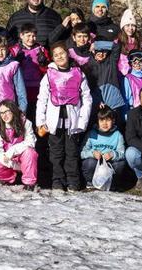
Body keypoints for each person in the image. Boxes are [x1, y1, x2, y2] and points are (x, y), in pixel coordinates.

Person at [36, 43, 93, 191]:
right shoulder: (49, 75)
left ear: (68, 54)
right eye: (56, 55)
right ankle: (57, 181)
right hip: (53, 122)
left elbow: (87, 98)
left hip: (72, 122)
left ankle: (73, 181)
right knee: (56, 154)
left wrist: (82, 121)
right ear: (53, 58)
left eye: (62, 53)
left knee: (72, 153)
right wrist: (40, 121)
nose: (60, 56)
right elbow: (42, 99)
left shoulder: (78, 73)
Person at [0, 100, 37, 190]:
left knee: (30, 152)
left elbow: (31, 142)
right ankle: (13, 177)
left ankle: (29, 183)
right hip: (9, 160)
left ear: (13, 110)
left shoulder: (25, 123)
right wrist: (12, 164)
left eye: (7, 112)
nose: (4, 116)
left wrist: (12, 150)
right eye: (1, 113)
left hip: (22, 157)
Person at [81, 107, 126, 189]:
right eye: (102, 120)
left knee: (120, 164)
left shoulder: (118, 135)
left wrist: (113, 154)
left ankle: (112, 184)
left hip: (110, 164)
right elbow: (82, 152)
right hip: (96, 163)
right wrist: (92, 153)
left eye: (108, 120)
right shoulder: (92, 134)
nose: (105, 123)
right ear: (98, 121)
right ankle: (90, 182)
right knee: (89, 163)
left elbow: (122, 153)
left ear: (113, 121)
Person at [13, 23, 48, 113]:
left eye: (34, 36)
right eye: (28, 35)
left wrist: (43, 64)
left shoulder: (41, 50)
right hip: (21, 89)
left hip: (38, 88)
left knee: (36, 114)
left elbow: (48, 71)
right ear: (21, 35)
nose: (31, 39)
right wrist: (15, 61)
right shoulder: (14, 50)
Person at [86, 41, 126, 119]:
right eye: (98, 51)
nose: (101, 53)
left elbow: (116, 47)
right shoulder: (89, 66)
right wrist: (97, 101)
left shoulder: (111, 62)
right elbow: (89, 88)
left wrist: (97, 44)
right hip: (98, 104)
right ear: (93, 52)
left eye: (104, 51)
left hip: (113, 103)